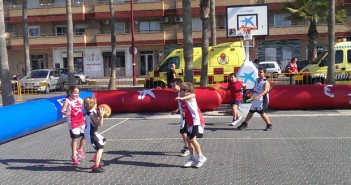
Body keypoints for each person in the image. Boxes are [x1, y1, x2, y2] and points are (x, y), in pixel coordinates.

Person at [176, 82, 207, 168]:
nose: (179, 91)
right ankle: (192, 158)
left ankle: (201, 157)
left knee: (192, 140)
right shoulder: (183, 99)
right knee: (189, 141)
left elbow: (192, 95)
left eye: (181, 90)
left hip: (196, 121)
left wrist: (183, 97)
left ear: (185, 91)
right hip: (190, 122)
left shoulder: (189, 97)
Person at [60, 86, 86, 165]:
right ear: (70, 93)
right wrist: (65, 113)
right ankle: (74, 156)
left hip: (81, 120)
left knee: (85, 135)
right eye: (75, 93)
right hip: (73, 122)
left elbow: (86, 106)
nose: (76, 94)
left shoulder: (80, 99)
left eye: (78, 93)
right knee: (75, 139)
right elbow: (62, 110)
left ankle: (80, 149)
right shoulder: (68, 100)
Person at [83, 97, 107, 173]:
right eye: (96, 103)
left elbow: (97, 114)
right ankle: (96, 166)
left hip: (92, 132)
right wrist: (102, 116)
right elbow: (100, 124)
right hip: (91, 134)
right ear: (93, 105)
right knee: (100, 148)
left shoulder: (92, 111)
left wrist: (101, 113)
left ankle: (96, 157)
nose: (97, 104)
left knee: (103, 140)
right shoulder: (91, 114)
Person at [171, 78, 190, 157]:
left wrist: (185, 112)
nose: (172, 88)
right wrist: (177, 110)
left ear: (179, 86)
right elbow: (181, 105)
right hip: (183, 115)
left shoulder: (184, 93)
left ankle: (187, 148)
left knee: (183, 132)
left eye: (174, 86)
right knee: (184, 132)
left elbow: (188, 103)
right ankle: (187, 147)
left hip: (186, 115)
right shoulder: (179, 93)